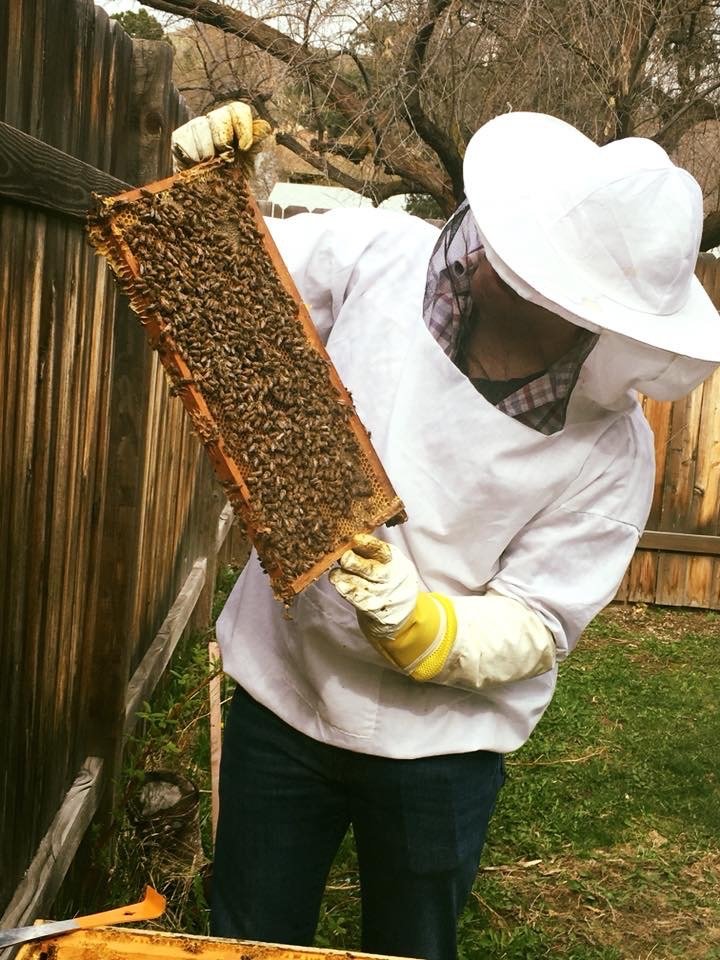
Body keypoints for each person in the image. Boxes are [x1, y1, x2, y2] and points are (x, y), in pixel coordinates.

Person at [171, 106, 720, 960]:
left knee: (411, 947)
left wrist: (422, 624)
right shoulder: (378, 257)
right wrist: (215, 195)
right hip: (281, 693)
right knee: (250, 939)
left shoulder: (612, 454)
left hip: (439, 750)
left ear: (599, 316)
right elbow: (236, 300)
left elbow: (540, 619)